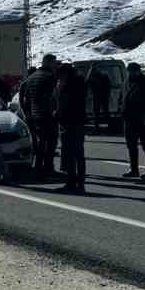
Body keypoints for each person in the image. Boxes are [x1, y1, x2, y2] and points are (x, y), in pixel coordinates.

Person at [19, 56, 59, 178]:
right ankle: (47, 167)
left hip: (34, 115)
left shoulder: (30, 78)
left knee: (40, 142)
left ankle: (38, 166)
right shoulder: (50, 77)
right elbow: (53, 97)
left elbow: (25, 99)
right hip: (47, 114)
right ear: (49, 63)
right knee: (50, 142)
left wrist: (28, 114)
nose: (55, 66)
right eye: (54, 63)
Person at [54, 62, 88, 193]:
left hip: (70, 121)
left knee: (71, 153)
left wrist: (58, 113)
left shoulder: (69, 85)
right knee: (77, 153)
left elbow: (63, 103)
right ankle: (78, 182)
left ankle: (73, 182)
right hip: (76, 121)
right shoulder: (79, 83)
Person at [121, 62, 145, 179]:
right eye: (130, 70)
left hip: (142, 116)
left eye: (134, 70)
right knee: (131, 145)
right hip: (129, 117)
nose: (132, 72)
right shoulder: (127, 81)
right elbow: (124, 97)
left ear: (138, 70)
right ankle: (134, 169)